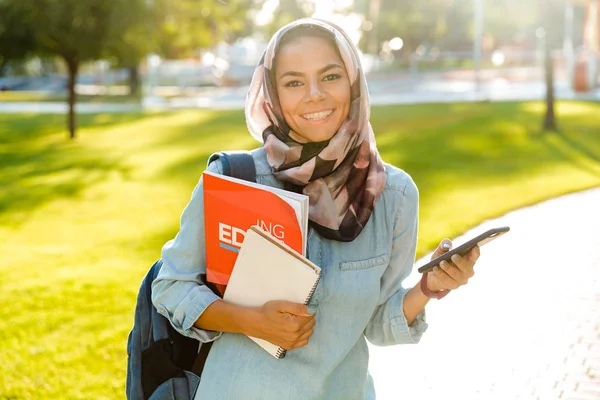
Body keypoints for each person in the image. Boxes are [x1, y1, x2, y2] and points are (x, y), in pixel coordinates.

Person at [151, 18, 480, 399]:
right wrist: (251, 321)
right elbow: (172, 288)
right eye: (293, 82)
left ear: (354, 82)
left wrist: (428, 287)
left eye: (330, 77)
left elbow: (377, 323)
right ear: (272, 93)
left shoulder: (394, 194)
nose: (314, 95)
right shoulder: (234, 178)